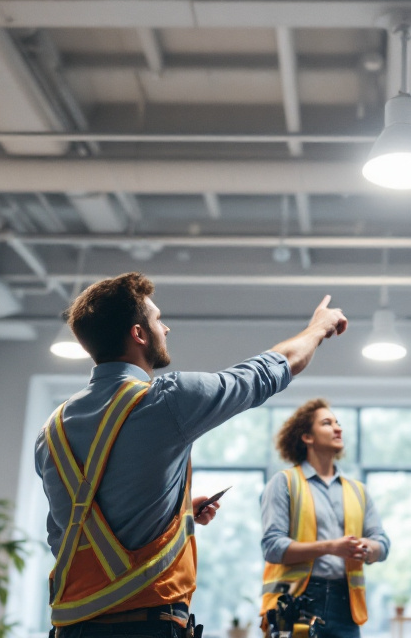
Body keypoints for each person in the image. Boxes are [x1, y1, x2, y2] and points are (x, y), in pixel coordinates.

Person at [35, 272, 347, 638]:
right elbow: (269, 370)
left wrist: (177, 514)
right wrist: (319, 328)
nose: (165, 329)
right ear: (138, 333)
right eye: (157, 319)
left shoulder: (52, 430)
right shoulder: (166, 400)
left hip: (69, 626)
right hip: (147, 624)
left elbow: (71, 526)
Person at [260, 399, 389, 638]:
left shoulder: (358, 491)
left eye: (338, 423)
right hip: (294, 604)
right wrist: (331, 547)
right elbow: (272, 547)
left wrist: (367, 548)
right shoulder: (285, 483)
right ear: (307, 437)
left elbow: (382, 543)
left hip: (346, 605)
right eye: (327, 423)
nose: (338, 428)